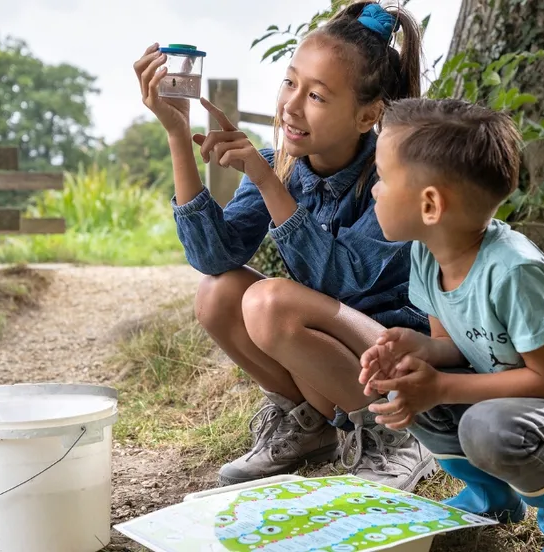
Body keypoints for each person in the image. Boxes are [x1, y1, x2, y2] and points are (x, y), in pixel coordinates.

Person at [132, 1, 437, 491]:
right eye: (290, 82)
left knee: (270, 301)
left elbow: (344, 279)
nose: (291, 106)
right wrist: (176, 132)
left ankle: (397, 439)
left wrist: (266, 180)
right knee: (218, 293)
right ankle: (308, 427)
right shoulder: (281, 166)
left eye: (316, 95)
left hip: (400, 366)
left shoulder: (390, 180)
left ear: (368, 115)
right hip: (337, 368)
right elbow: (213, 257)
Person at [359, 97, 544, 551]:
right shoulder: (425, 252)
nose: (374, 190)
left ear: (430, 205)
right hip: (517, 402)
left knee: (485, 426)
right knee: (408, 386)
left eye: (382, 178)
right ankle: (493, 499)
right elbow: (452, 346)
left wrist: (442, 387)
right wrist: (413, 349)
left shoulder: (513, 271)